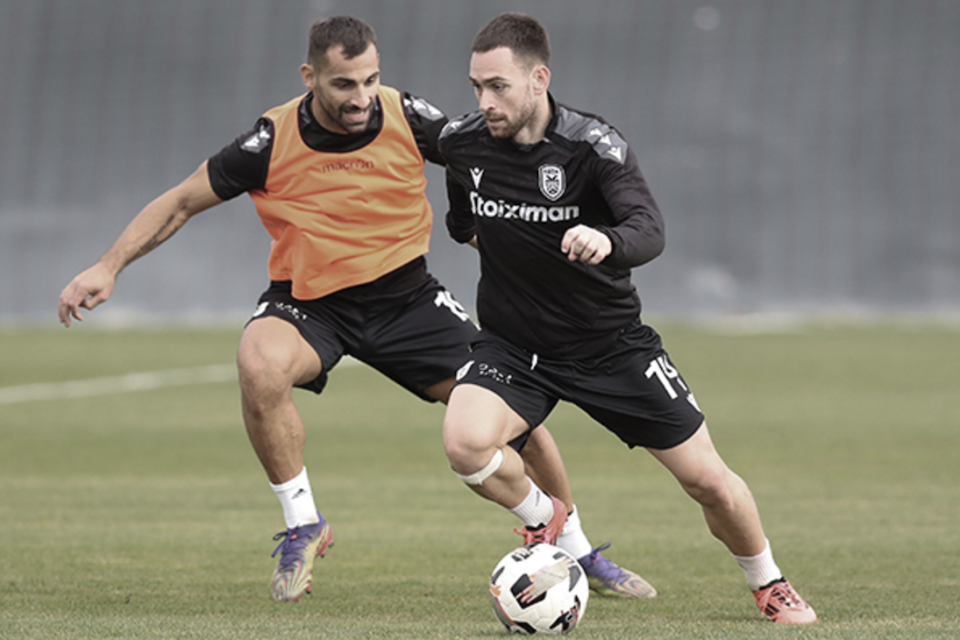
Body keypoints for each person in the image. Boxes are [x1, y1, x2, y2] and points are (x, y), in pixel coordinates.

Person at [57, 16, 654, 603]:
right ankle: (303, 525)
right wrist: (108, 265)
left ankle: (574, 547)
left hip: (409, 299)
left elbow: (492, 159)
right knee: (258, 361)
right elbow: (182, 201)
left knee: (514, 414)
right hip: (311, 304)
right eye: (345, 84)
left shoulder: (407, 116)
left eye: (371, 80)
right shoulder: (271, 140)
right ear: (309, 77)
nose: (362, 97)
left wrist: (583, 224)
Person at [439, 12, 817, 625]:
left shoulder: (592, 146)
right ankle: (548, 519)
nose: (485, 101)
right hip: (514, 350)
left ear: (539, 79)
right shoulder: (463, 144)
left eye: (498, 86)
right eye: (476, 86)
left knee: (709, 483)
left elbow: (649, 229)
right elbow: (465, 225)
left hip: (610, 348)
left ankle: (768, 582)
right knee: (465, 444)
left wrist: (605, 241)